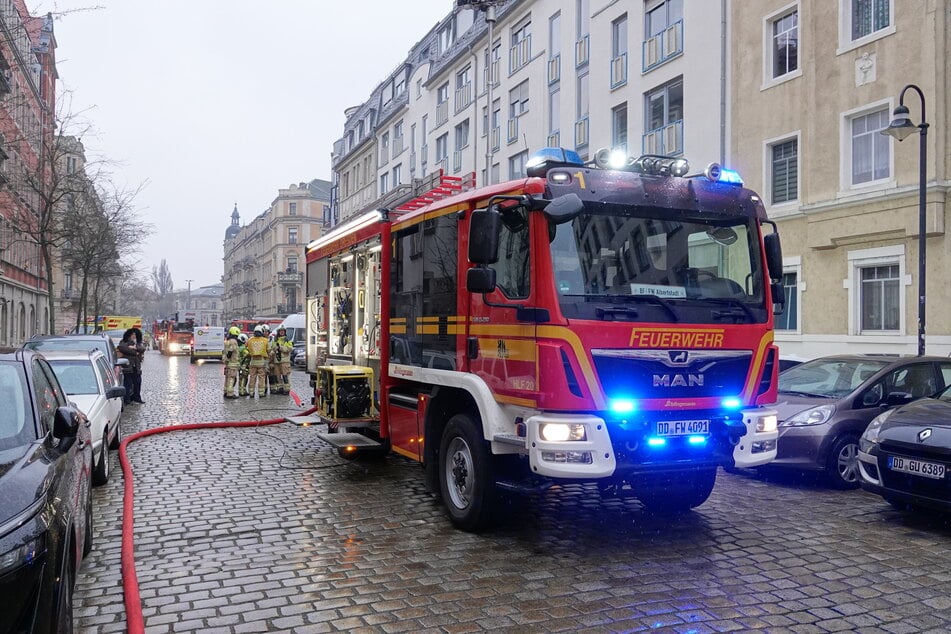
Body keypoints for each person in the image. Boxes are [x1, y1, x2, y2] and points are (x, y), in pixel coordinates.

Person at [117, 327, 146, 404]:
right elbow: (122, 348)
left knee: (137, 383)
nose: (134, 336)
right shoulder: (124, 341)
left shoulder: (138, 343)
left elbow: (142, 349)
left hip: (136, 367)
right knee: (127, 384)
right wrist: (134, 352)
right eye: (133, 334)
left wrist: (134, 347)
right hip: (128, 367)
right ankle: (127, 399)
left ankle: (136, 397)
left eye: (135, 334)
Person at [245, 326, 270, 398]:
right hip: (261, 362)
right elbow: (268, 350)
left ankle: (251, 393)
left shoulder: (250, 340)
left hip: (252, 361)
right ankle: (261, 393)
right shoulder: (265, 340)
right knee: (261, 378)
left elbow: (246, 348)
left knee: (252, 377)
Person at [270, 327, 294, 395]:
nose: (282, 332)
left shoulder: (287, 340)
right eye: (281, 331)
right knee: (277, 376)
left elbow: (290, 348)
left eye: (283, 331)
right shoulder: (275, 340)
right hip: (276, 361)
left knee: (285, 375)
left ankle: (286, 390)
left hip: (284, 361)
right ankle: (280, 388)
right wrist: (273, 351)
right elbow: (273, 348)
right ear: (278, 332)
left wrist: (281, 348)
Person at [222, 326, 242, 399]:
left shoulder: (227, 341)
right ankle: (230, 393)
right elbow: (231, 351)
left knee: (227, 378)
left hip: (228, 363)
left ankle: (226, 391)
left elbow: (224, 352)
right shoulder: (234, 341)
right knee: (232, 378)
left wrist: (226, 360)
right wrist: (229, 358)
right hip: (232, 363)